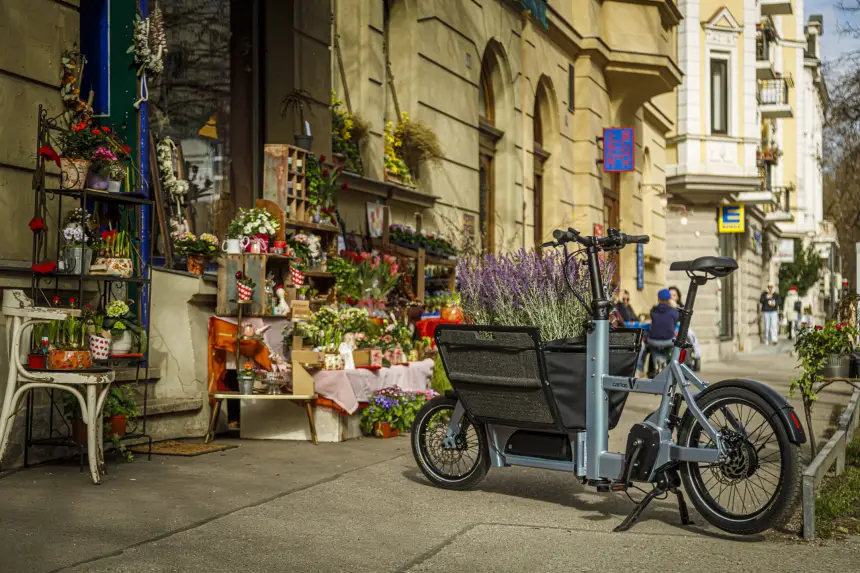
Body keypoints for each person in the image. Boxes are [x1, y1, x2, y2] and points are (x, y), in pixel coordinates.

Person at [638, 289, 679, 372]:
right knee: (669, 348)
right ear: (669, 299)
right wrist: (674, 306)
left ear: (658, 299)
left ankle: (653, 363)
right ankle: (665, 363)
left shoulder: (653, 310)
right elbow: (675, 323)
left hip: (654, 341)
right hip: (668, 341)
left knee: (653, 348)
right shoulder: (673, 311)